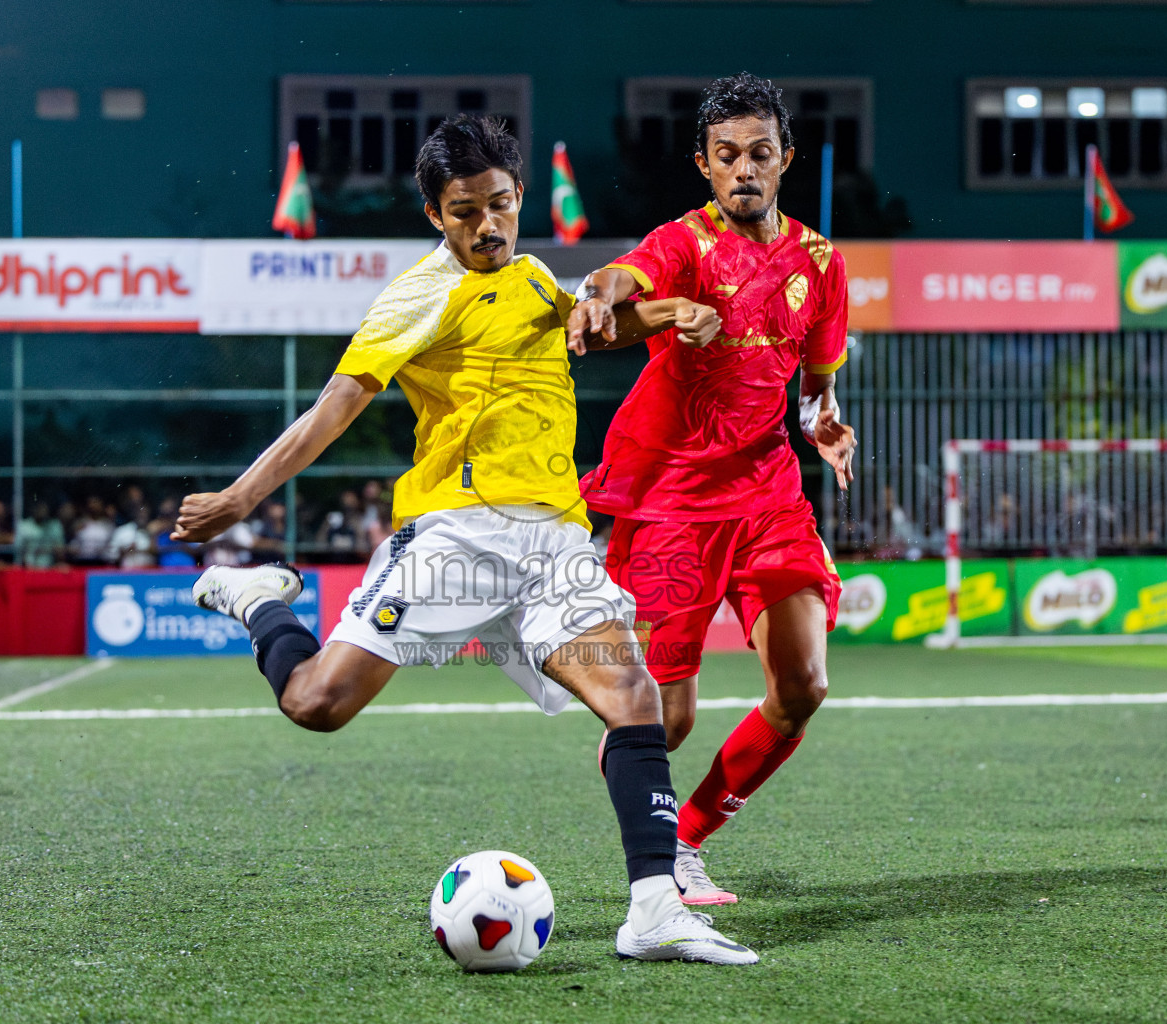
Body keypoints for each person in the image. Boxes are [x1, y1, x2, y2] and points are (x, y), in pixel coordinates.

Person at [173, 115, 756, 965]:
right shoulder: (417, 295)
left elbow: (591, 328)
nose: (487, 226)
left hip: (556, 542)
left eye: (500, 205)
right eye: (464, 211)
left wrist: (670, 312)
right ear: (433, 215)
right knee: (315, 704)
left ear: (519, 198)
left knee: (641, 703)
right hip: (455, 541)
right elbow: (332, 411)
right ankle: (261, 599)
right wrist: (238, 497)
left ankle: (655, 910)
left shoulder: (531, 280)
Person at [567, 73, 857, 906]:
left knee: (802, 686)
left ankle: (684, 842)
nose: (743, 170)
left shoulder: (821, 263)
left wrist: (824, 422)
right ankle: (651, 849)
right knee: (665, 716)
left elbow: (814, 384)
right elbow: (622, 275)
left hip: (769, 499)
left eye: (759, 154)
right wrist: (594, 294)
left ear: (784, 160)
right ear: (704, 164)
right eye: (726, 155)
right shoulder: (681, 245)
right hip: (667, 510)